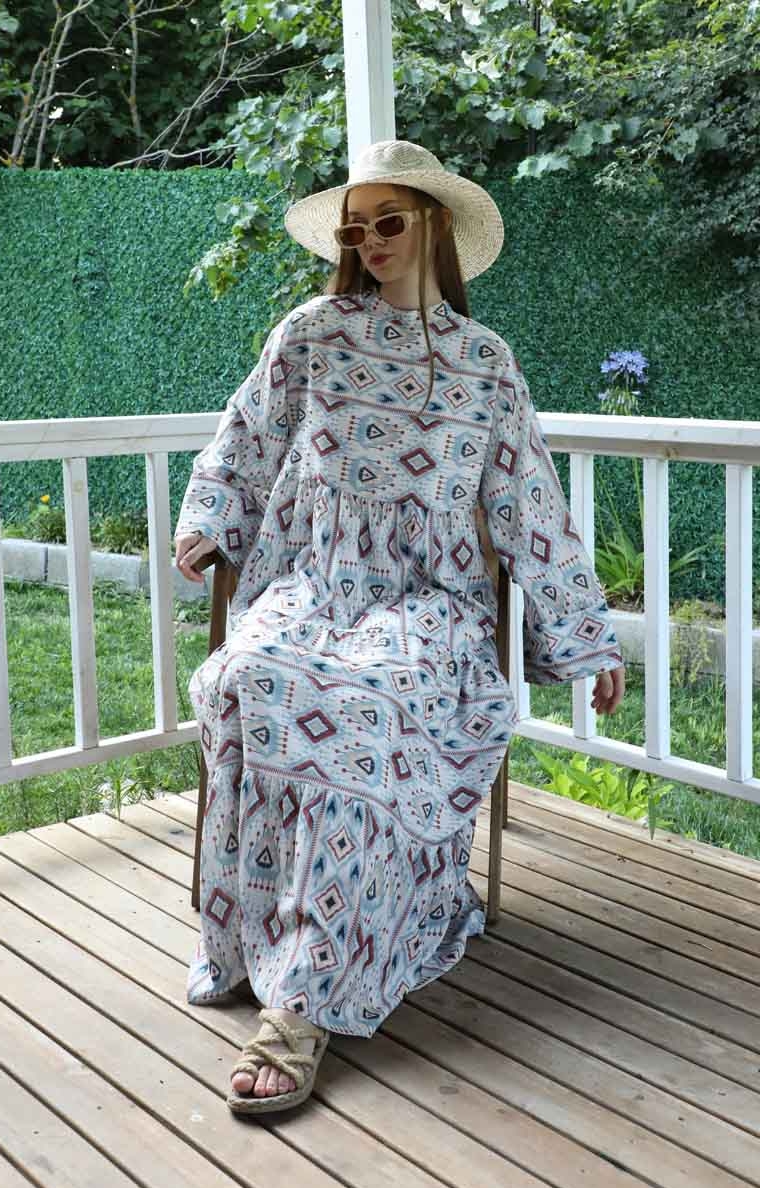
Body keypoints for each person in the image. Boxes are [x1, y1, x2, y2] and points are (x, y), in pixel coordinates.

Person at [174, 139, 626, 1115]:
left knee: (370, 703)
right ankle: (255, 936)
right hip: (313, 585)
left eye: (388, 221)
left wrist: (584, 631)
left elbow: (529, 504)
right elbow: (243, 438)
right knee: (250, 676)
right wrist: (209, 520)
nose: (370, 241)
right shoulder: (309, 332)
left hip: (429, 603)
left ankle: (299, 1005)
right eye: (355, 229)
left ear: (435, 225)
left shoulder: (483, 361)